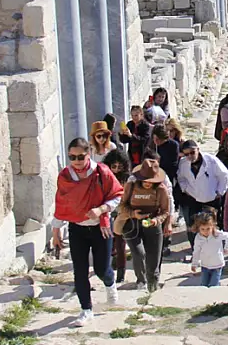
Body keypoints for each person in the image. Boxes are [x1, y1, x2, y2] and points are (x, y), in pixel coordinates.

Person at [51, 138, 123, 327]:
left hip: (101, 227)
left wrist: (100, 210)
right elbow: (62, 202)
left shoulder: (101, 172)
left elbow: (118, 194)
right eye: (72, 157)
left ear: (88, 154)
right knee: (80, 270)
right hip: (77, 229)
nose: (76, 161)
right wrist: (56, 231)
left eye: (80, 157)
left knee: (101, 268)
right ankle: (86, 310)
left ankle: (110, 285)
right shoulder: (66, 176)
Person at [114, 156, 171, 293]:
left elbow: (165, 211)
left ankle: (153, 285)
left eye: (151, 181)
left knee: (153, 260)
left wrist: (156, 220)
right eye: (145, 180)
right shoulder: (131, 186)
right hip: (132, 223)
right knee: (138, 253)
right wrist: (134, 214)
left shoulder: (161, 190)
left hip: (152, 224)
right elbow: (121, 206)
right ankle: (141, 280)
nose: (147, 183)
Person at [176, 140, 228, 251]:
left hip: (211, 199)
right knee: (193, 226)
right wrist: (185, 189)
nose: (190, 156)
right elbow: (181, 178)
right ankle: (196, 250)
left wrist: (220, 192)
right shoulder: (183, 163)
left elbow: (224, 176)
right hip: (193, 198)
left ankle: (213, 249)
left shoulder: (211, 161)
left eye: (192, 152)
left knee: (211, 226)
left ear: (198, 150)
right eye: (186, 154)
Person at [103, 149, 131, 284]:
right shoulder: (103, 176)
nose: (116, 170)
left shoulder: (127, 179)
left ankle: (121, 272)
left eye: (119, 167)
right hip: (107, 211)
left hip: (121, 211)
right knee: (108, 243)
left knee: (121, 243)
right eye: (113, 166)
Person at [190, 211, 228, 287]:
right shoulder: (198, 238)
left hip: (217, 264)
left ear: (212, 226)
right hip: (205, 265)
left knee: (213, 285)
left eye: (208, 229)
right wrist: (194, 264)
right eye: (202, 229)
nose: (205, 231)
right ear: (198, 228)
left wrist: (227, 248)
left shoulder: (217, 234)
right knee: (204, 284)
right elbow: (196, 251)